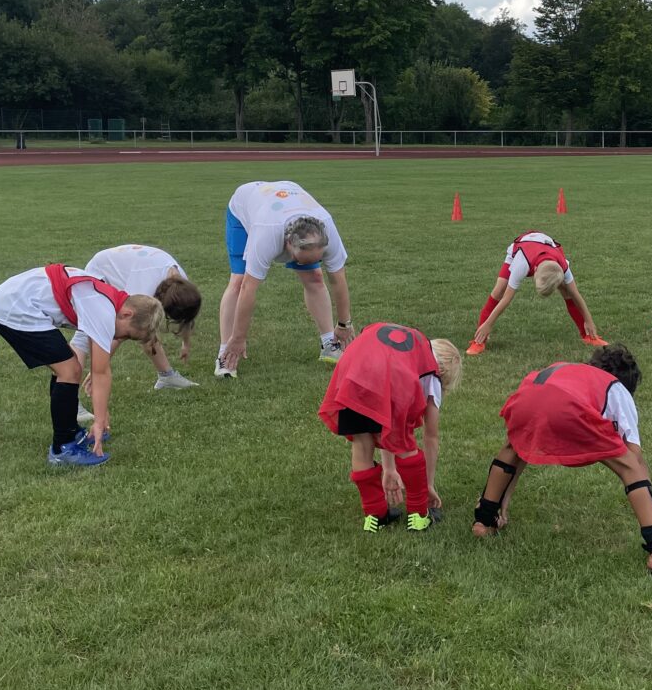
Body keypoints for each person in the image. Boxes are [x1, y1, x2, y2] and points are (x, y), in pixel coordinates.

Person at [471, 344, 652, 573]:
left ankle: (484, 520)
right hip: (567, 409)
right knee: (630, 467)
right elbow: (635, 459)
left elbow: (522, 447)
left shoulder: (566, 369)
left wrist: (504, 498)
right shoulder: (616, 388)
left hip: (525, 397)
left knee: (511, 447)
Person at [0, 264, 165, 466]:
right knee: (69, 370)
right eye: (126, 334)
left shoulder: (108, 301)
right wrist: (99, 419)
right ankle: (63, 447)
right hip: (15, 308)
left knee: (70, 367)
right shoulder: (104, 310)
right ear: (127, 314)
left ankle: (70, 430)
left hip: (16, 299)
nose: (119, 337)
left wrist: (101, 412)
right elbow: (101, 371)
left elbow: (97, 363)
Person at [319, 323, 463, 533]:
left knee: (361, 443)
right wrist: (428, 486)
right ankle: (418, 513)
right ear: (441, 372)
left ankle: (374, 515)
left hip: (352, 370)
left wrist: (389, 469)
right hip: (386, 377)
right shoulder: (431, 371)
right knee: (404, 443)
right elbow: (430, 436)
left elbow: (384, 420)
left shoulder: (410, 344)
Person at [218, 179, 354, 376]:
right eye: (301, 259)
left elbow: (338, 279)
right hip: (245, 206)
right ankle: (225, 352)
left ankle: (329, 344)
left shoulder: (327, 229)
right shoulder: (266, 233)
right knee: (238, 282)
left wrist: (344, 324)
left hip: (286, 197)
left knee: (315, 276)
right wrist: (239, 337)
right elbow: (249, 289)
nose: (303, 264)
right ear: (288, 244)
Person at [73, 245, 201, 423]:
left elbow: (188, 315)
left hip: (126, 270)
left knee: (146, 326)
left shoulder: (182, 286)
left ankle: (167, 377)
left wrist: (186, 344)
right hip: (100, 273)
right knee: (85, 335)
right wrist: (99, 368)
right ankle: (71, 403)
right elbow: (122, 331)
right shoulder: (144, 286)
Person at [467, 230, 607, 355]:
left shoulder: (563, 266)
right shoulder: (521, 264)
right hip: (522, 247)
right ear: (534, 274)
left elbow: (576, 294)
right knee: (498, 291)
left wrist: (588, 320)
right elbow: (506, 299)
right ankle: (479, 340)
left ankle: (588, 335)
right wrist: (488, 324)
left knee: (568, 292)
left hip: (549, 248)